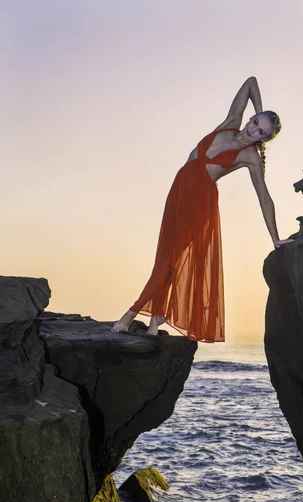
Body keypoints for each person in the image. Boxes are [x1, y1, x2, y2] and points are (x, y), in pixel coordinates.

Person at [112, 76, 292, 342]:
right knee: (166, 257)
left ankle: (130, 313)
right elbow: (251, 82)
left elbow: (264, 196)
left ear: (264, 139)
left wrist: (274, 237)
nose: (253, 131)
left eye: (261, 133)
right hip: (179, 191)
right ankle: (156, 318)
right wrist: (261, 112)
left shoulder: (250, 156)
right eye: (255, 123)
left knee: (167, 261)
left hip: (200, 204)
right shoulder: (231, 123)